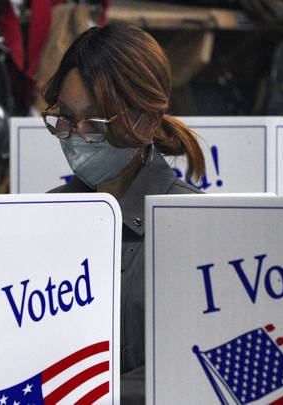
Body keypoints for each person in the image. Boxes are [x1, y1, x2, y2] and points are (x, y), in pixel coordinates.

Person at [41, 22, 206, 403]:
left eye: (96, 123)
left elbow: (192, 366)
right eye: (65, 117)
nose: (75, 134)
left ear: (146, 122)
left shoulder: (188, 226)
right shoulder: (42, 218)